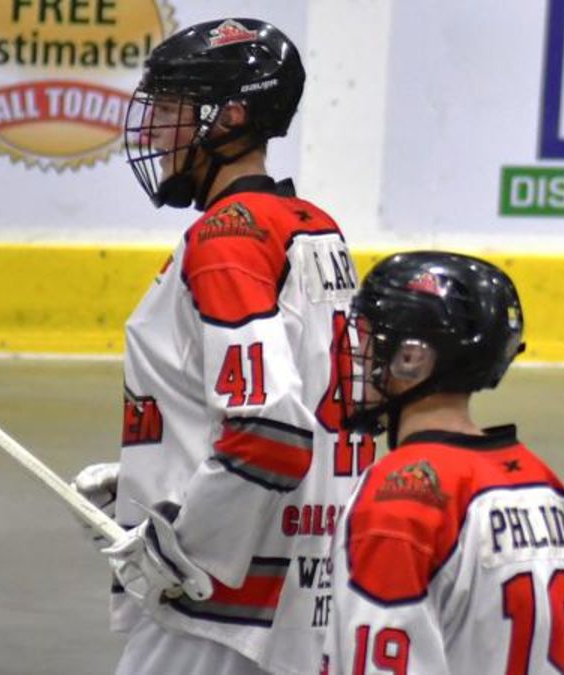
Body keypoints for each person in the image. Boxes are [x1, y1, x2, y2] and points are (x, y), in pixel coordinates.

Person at [71, 18, 375, 675]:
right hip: (316, 587)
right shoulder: (315, 228)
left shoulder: (228, 240)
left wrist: (184, 541)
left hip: (225, 608)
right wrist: (152, 482)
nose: (153, 129)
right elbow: (303, 405)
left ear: (229, 116)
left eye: (173, 110)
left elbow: (269, 429)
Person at [320, 251, 564, 674]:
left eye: (372, 340)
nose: (358, 356)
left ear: (412, 358)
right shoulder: (546, 487)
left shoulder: (400, 498)